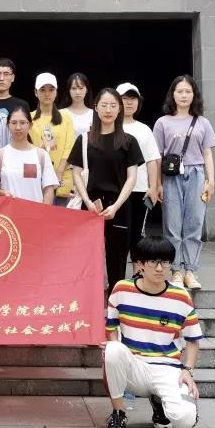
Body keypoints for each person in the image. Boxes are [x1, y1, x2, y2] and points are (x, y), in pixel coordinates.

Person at [102, 236, 201, 428]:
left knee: (186, 419)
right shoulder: (122, 290)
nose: (159, 268)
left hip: (167, 367)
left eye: (165, 262)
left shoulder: (181, 296)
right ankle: (118, 413)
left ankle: (159, 401)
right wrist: (114, 352)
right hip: (134, 366)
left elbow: (193, 340)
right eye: (153, 262)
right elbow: (110, 329)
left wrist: (187, 370)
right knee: (112, 350)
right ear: (139, 264)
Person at [68, 88, 144, 294]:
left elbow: (132, 178)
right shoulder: (84, 140)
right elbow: (76, 173)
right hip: (90, 205)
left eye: (113, 105)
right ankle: (88, 301)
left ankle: (115, 302)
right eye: (104, 105)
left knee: (117, 257)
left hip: (119, 205)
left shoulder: (128, 141)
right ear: (96, 107)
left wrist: (117, 205)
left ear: (119, 109)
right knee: (88, 256)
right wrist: (87, 201)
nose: (108, 110)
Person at [153, 75, 215, 291]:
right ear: (172, 94)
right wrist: (157, 184)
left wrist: (211, 180)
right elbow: (157, 157)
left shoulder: (203, 123)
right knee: (172, 226)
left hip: (197, 174)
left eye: (188, 91)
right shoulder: (162, 122)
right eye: (179, 91)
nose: (183, 95)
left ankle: (190, 270)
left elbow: (207, 153)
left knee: (194, 224)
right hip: (171, 177)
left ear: (194, 95)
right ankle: (176, 271)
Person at [116, 82, 162, 250]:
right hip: (114, 189)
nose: (129, 102)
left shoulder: (144, 130)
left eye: (133, 98)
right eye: (124, 98)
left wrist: (153, 187)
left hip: (139, 189)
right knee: (116, 234)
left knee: (136, 233)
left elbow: (152, 160)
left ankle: (137, 266)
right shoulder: (109, 126)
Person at [0, 105, 58, 204]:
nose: (18, 127)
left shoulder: (41, 155)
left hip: (34, 212)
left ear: (30, 125)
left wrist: (44, 211)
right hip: (8, 212)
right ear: (7, 126)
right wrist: (3, 193)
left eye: (23, 123)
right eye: (13, 123)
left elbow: (48, 189)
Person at [29, 72, 76, 206]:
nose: (47, 94)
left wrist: (58, 173)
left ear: (56, 92)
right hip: (37, 177)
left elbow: (69, 147)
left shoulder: (66, 117)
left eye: (51, 89)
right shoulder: (29, 118)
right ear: (35, 92)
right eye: (42, 90)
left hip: (62, 177)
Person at [60, 71, 95, 138]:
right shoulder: (61, 113)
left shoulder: (94, 114)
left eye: (81, 88)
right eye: (74, 88)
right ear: (69, 90)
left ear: (87, 90)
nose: (77, 92)